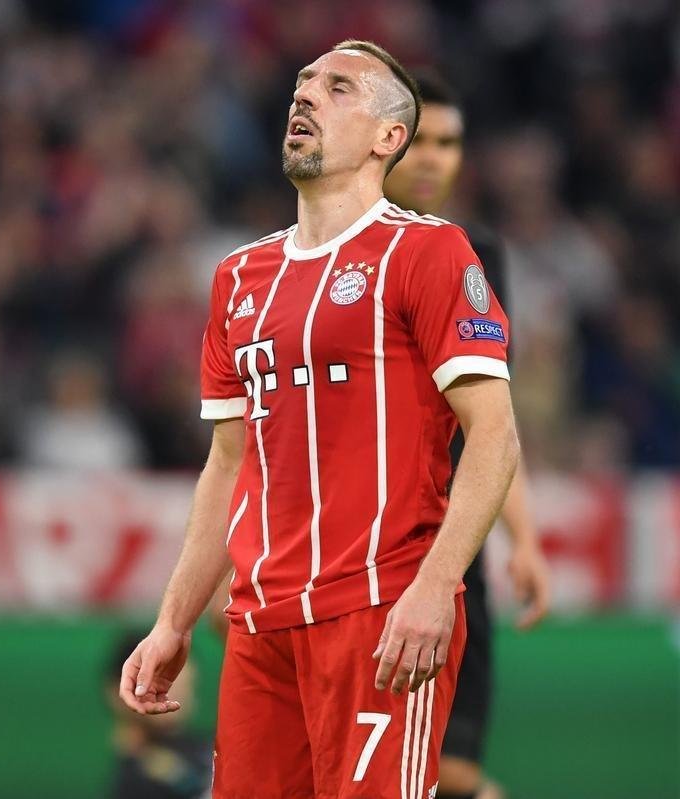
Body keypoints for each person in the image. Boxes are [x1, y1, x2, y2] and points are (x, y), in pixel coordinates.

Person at [120, 40, 520, 799]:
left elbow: (495, 435)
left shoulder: (429, 253)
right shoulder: (239, 276)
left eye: (339, 88)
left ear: (387, 137)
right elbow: (228, 462)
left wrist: (437, 585)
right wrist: (174, 620)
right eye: (304, 84)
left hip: (379, 616)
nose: (305, 97)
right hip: (258, 626)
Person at [383, 70, 551, 799]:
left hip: (448, 546)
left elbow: (488, 419)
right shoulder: (320, 250)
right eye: (419, 140)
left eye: (448, 143)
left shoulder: (475, 253)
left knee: (450, 774)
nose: (432, 158)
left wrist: (523, 537)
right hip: (349, 546)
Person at [105, 630, 212, 799]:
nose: (176, 693)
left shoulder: (212, 747)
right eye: (162, 682)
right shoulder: (135, 776)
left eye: (185, 685)